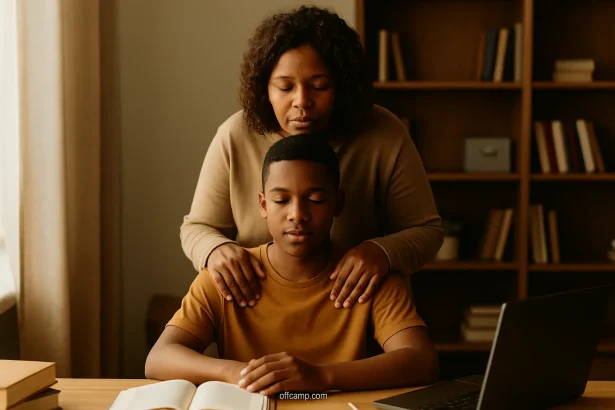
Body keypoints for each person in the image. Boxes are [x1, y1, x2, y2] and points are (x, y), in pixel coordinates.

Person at [180, 6, 443, 310]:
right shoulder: (234, 135)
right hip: (260, 316)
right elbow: (197, 228)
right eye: (285, 87)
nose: (302, 102)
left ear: (342, 87)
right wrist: (215, 250)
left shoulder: (384, 134)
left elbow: (428, 232)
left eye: (319, 86)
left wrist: (381, 253)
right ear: (265, 88)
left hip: (356, 314)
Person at [146, 135, 439, 394]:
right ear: (262, 205)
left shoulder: (367, 275)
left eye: (314, 199)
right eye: (281, 200)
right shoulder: (225, 276)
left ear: (338, 204)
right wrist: (238, 373)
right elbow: (159, 358)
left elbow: (422, 360)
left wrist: (321, 376)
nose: (297, 214)